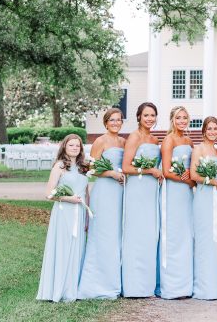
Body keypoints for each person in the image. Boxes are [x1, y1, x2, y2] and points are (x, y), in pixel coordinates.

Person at [77, 108, 126, 300]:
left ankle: (117, 280)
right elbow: (91, 169)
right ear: (106, 123)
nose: (115, 123)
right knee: (104, 234)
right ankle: (97, 283)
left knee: (118, 233)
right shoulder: (100, 141)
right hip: (105, 191)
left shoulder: (123, 142)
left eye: (118, 120)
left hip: (121, 192)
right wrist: (111, 173)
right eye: (112, 120)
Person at [37, 134, 90, 302]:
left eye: (77, 146)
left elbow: (86, 192)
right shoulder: (59, 166)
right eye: (71, 145)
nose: (75, 148)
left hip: (80, 212)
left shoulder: (84, 167)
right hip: (64, 212)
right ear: (64, 147)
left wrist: (87, 217)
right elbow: (49, 194)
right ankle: (58, 288)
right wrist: (69, 199)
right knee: (63, 248)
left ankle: (72, 288)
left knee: (77, 249)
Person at [121, 101, 162, 298]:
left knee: (150, 234)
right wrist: (150, 170)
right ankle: (134, 285)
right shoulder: (134, 137)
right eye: (146, 115)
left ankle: (147, 284)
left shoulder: (154, 139)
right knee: (136, 234)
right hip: (137, 189)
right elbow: (126, 167)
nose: (149, 119)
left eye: (152, 115)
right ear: (139, 117)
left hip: (152, 190)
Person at [159, 105, 194, 299]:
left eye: (185, 118)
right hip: (174, 190)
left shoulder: (189, 140)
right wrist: (188, 180)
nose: (182, 121)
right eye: (178, 118)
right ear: (172, 120)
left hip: (187, 193)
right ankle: (172, 286)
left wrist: (193, 175)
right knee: (174, 233)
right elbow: (166, 171)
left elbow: (193, 166)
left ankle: (185, 284)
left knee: (186, 234)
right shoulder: (169, 140)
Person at [191, 116, 217, 299]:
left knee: (215, 237)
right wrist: (214, 182)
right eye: (209, 128)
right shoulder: (199, 149)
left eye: (215, 129)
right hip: (205, 196)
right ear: (203, 131)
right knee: (205, 238)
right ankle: (204, 287)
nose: (212, 132)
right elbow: (194, 175)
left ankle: (214, 284)